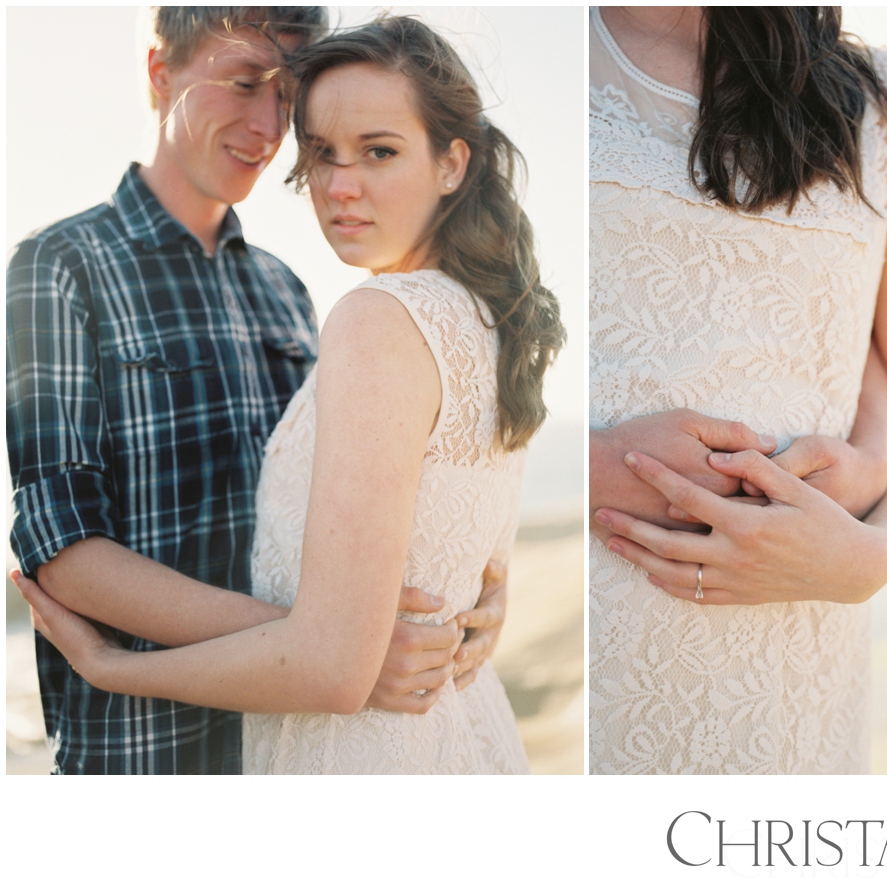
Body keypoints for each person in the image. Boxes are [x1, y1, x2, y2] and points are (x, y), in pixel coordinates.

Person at [17, 15, 566, 775]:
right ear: (159, 74)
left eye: (285, 99)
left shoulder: (290, 291)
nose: (268, 126)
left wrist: (467, 611)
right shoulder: (60, 266)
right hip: (147, 750)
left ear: (452, 163)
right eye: (245, 84)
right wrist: (346, 642)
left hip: (307, 733)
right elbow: (63, 550)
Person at [588, 6, 887, 773]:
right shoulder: (558, 51)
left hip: (795, 663)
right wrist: (603, 466)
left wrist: (872, 558)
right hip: (602, 632)